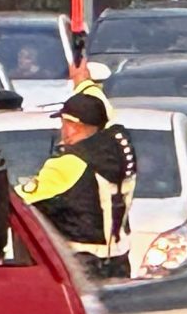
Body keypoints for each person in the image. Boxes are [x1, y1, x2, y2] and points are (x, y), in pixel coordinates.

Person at [21, 89, 136, 279]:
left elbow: (19, 200)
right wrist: (84, 82)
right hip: (119, 261)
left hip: (81, 263)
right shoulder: (119, 153)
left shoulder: (70, 163)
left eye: (64, 123)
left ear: (72, 126)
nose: (62, 130)